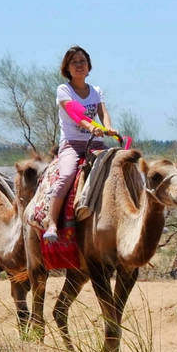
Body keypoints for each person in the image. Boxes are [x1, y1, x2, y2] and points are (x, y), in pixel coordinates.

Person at [43, 46, 111, 243]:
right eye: (74, 62)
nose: (79, 65)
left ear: (89, 65)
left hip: (96, 143)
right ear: (67, 67)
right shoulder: (64, 90)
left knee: (124, 166)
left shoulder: (96, 91)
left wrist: (109, 128)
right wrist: (91, 127)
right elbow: (75, 115)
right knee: (66, 175)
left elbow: (103, 113)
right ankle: (52, 222)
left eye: (82, 61)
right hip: (72, 144)